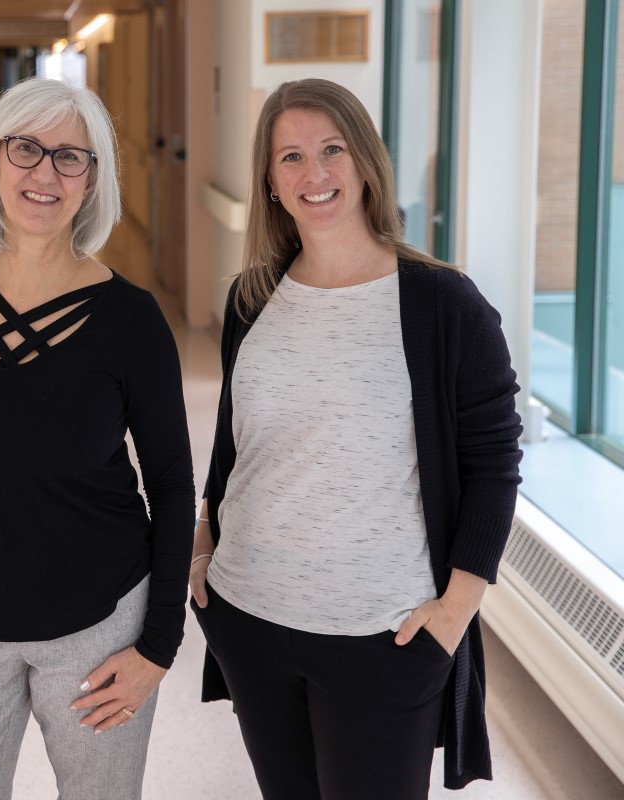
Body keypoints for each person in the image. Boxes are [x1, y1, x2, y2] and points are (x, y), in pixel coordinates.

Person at [188, 78, 523, 798]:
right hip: (249, 617)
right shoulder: (252, 297)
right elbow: (239, 445)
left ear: (365, 160)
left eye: (332, 149)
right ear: (271, 183)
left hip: (386, 634)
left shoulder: (444, 304)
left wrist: (455, 611)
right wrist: (203, 549)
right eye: (291, 158)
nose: (315, 174)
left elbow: (494, 465)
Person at [0, 77, 195, 800]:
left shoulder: (132, 319)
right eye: (25, 148)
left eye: (70, 157)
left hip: (97, 635)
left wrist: (158, 647)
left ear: (93, 181)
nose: (44, 173)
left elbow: (174, 486)